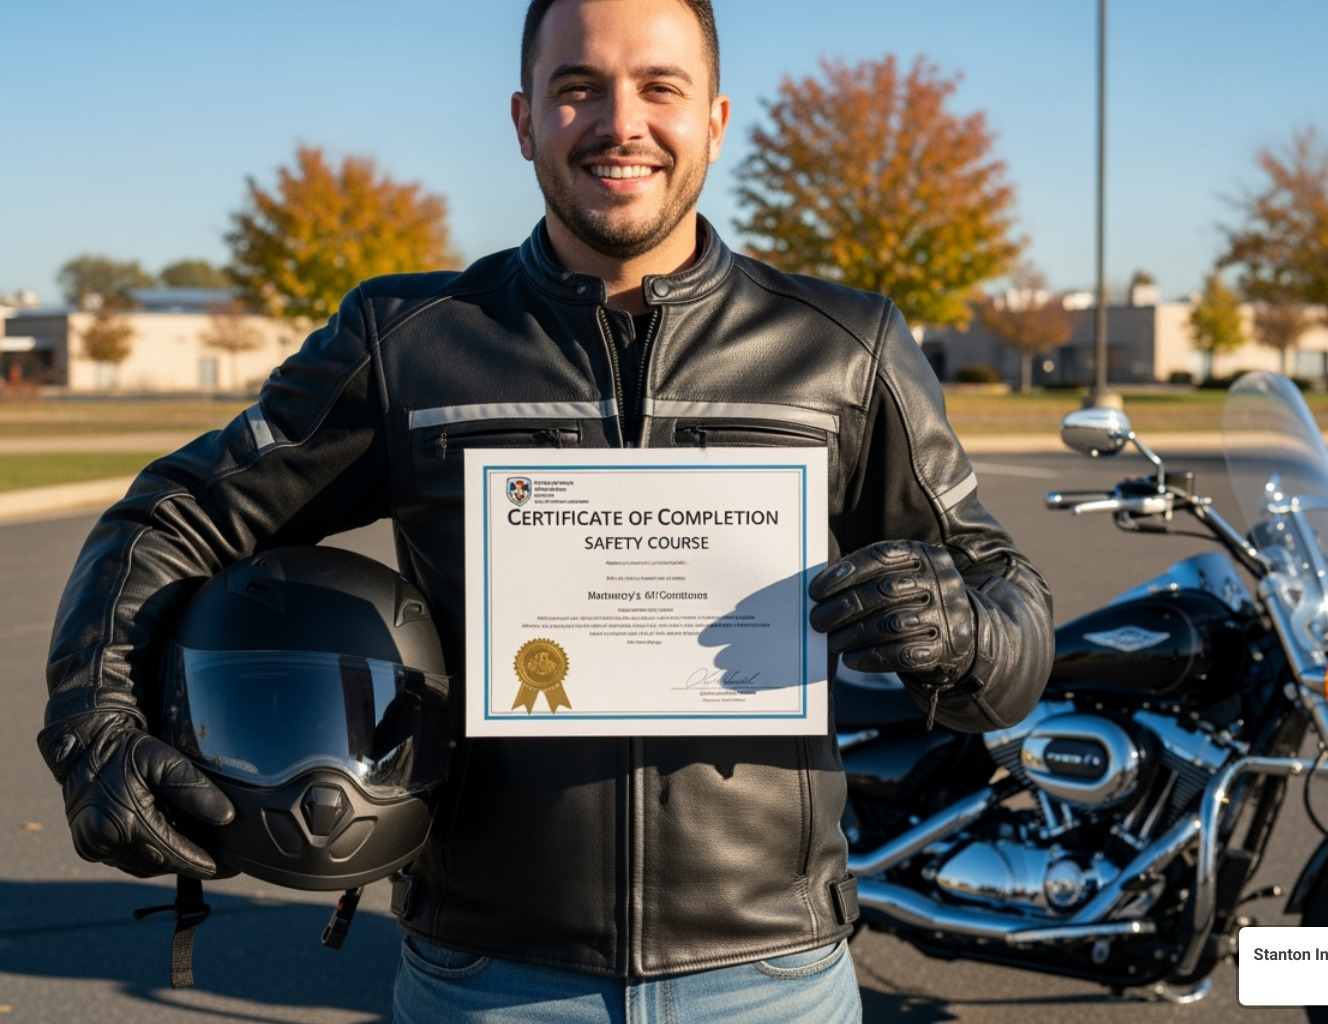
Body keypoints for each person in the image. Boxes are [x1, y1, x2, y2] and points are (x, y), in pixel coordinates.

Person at [37, 0, 1054, 1020]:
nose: (621, 121)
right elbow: (170, 518)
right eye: (579, 89)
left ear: (715, 118)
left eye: (661, 87)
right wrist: (96, 720)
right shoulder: (409, 342)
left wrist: (965, 632)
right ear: (525, 121)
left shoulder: (847, 346)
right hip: (491, 978)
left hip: (771, 977)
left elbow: (1006, 609)